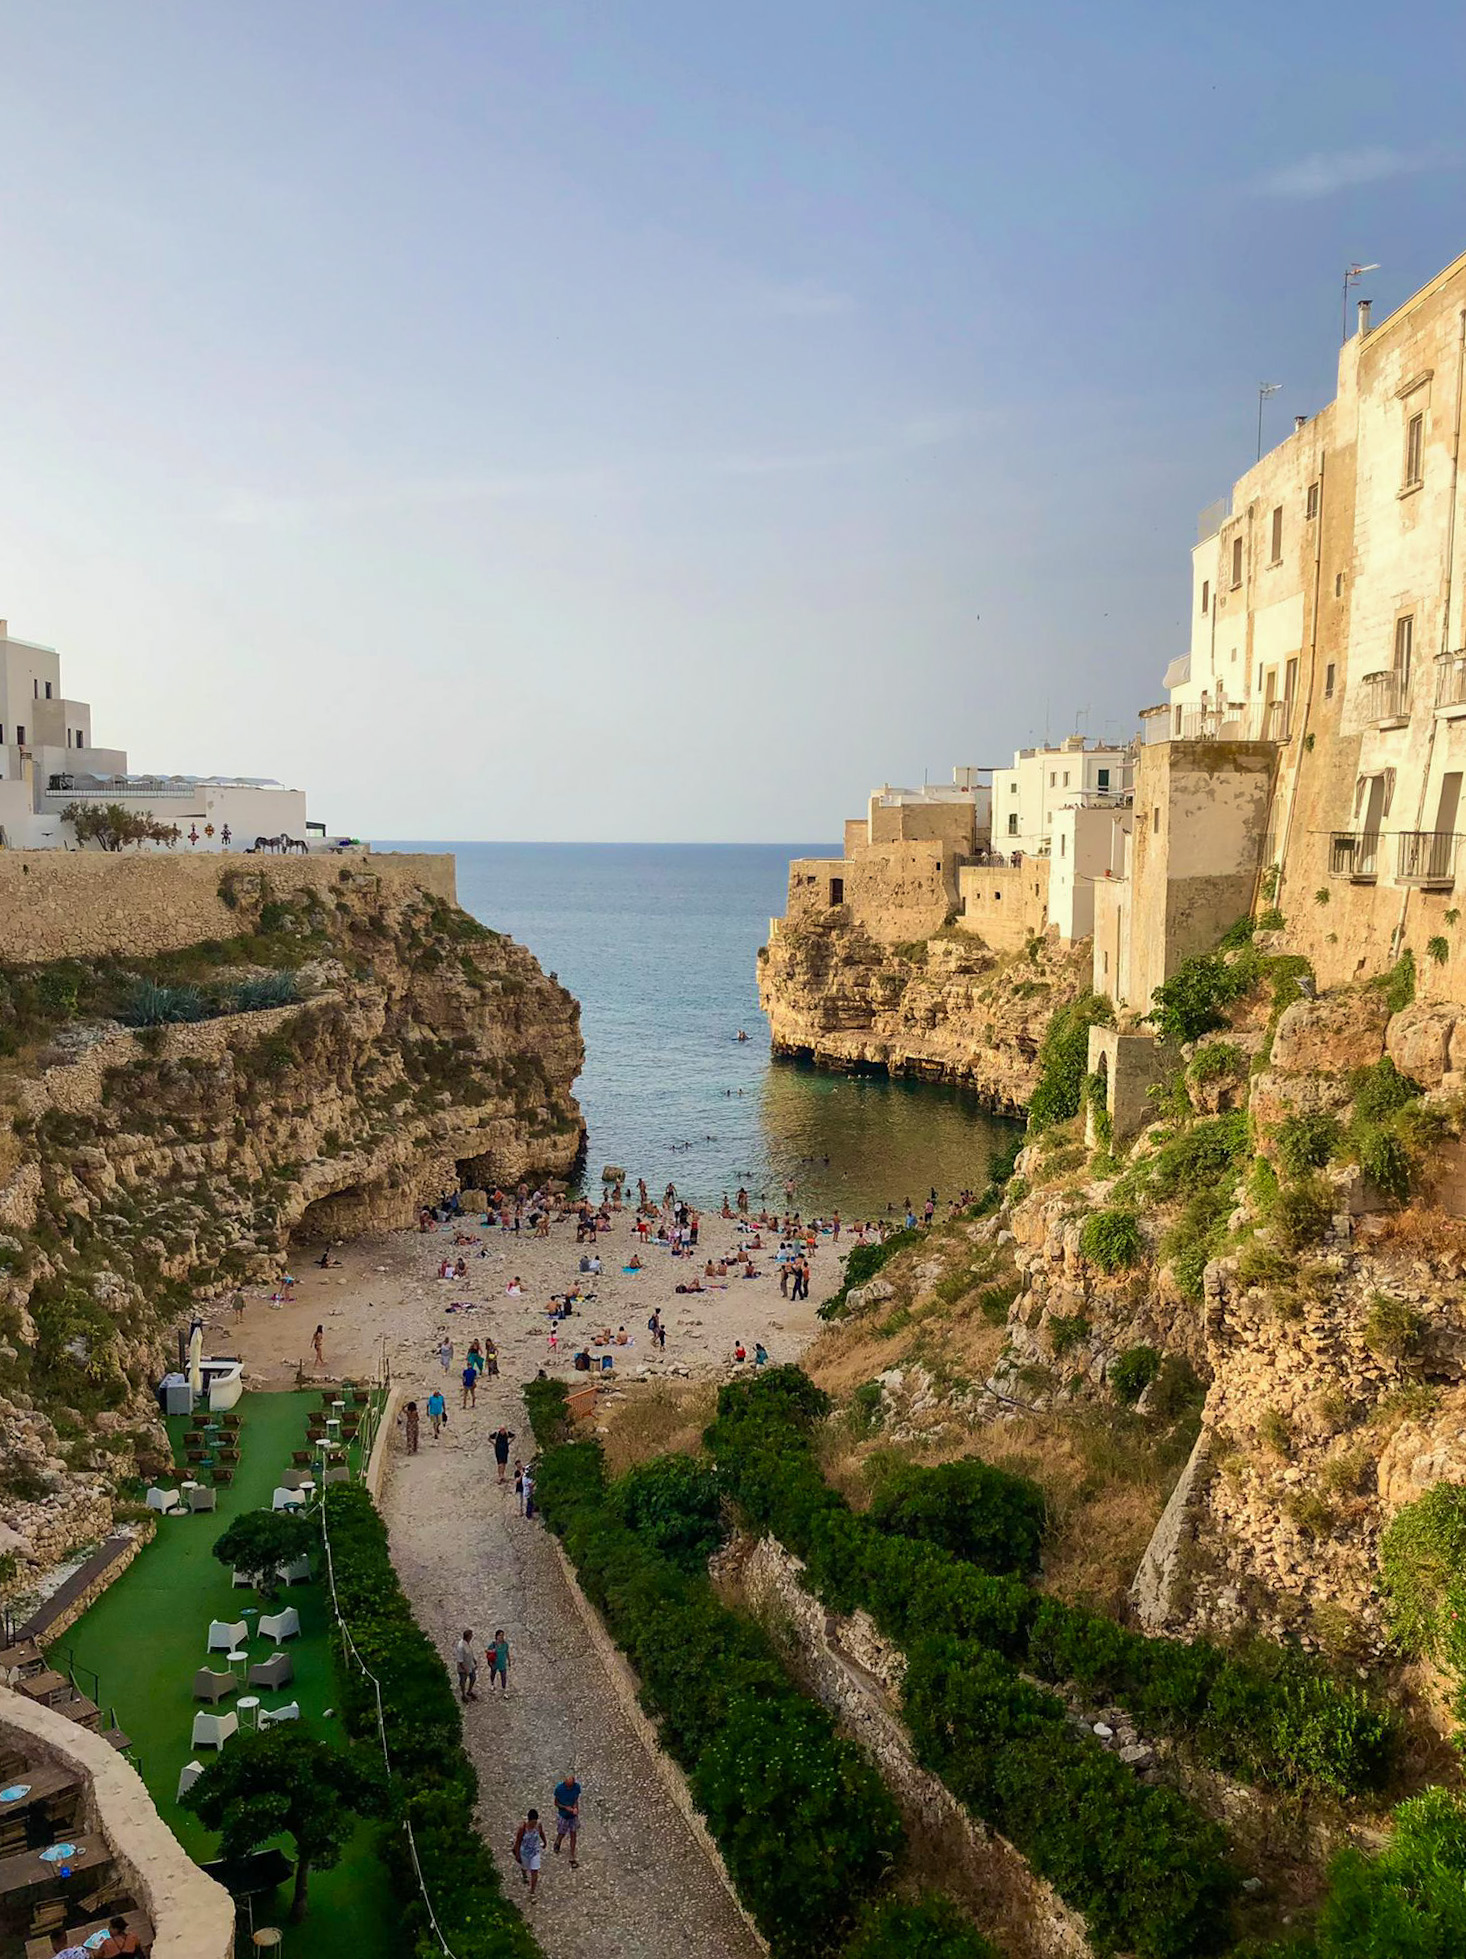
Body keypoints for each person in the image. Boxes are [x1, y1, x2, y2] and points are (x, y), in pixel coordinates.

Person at [553, 1769, 582, 1868]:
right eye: (568, 1785)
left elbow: (576, 1799)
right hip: (563, 1815)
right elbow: (556, 1803)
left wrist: (575, 1808)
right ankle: (558, 1842)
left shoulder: (576, 1787)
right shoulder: (559, 1789)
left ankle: (572, 1856)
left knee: (573, 1834)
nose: (570, 1787)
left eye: (571, 1785)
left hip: (572, 1816)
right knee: (562, 1832)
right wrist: (566, 1808)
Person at [514, 1809, 547, 1894]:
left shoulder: (538, 1825)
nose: (534, 1824)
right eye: (532, 1822)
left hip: (535, 1852)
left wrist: (544, 1842)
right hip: (524, 1852)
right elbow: (518, 1841)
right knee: (525, 1866)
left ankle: (532, 1890)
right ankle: (524, 1873)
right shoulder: (523, 1828)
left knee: (534, 1871)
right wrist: (517, 1854)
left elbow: (541, 1833)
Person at [454, 1628, 479, 1702]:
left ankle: (469, 1691)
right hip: (464, 1668)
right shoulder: (461, 1647)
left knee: (473, 1678)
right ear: (468, 1636)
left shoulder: (467, 1643)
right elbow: (460, 1661)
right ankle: (463, 1695)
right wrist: (465, 1670)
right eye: (471, 1635)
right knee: (463, 1681)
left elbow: (469, 1652)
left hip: (470, 1665)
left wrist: (473, 1660)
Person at [486, 1628, 510, 1696]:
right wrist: (492, 1651)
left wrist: (509, 1660)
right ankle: (492, 1683)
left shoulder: (505, 1644)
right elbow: (487, 1651)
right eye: (500, 1635)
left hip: (502, 1663)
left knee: (503, 1676)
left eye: (502, 1635)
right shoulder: (493, 1644)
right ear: (496, 1636)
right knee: (493, 1673)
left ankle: (504, 1689)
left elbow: (507, 1652)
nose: (501, 1637)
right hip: (495, 1662)